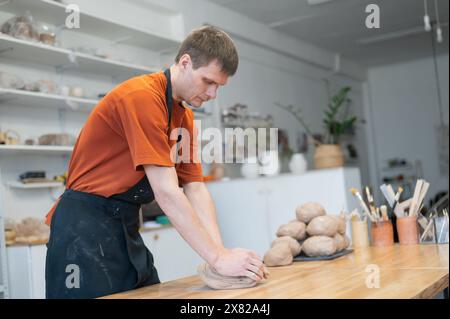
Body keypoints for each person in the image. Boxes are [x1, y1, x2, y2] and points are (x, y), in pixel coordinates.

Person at [44, 25, 267, 299]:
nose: (212, 94)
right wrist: (219, 258)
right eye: (208, 82)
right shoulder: (142, 97)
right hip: (82, 230)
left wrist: (218, 258)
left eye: (219, 86)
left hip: (123, 226)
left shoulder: (183, 117)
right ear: (185, 62)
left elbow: (195, 188)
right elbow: (166, 191)